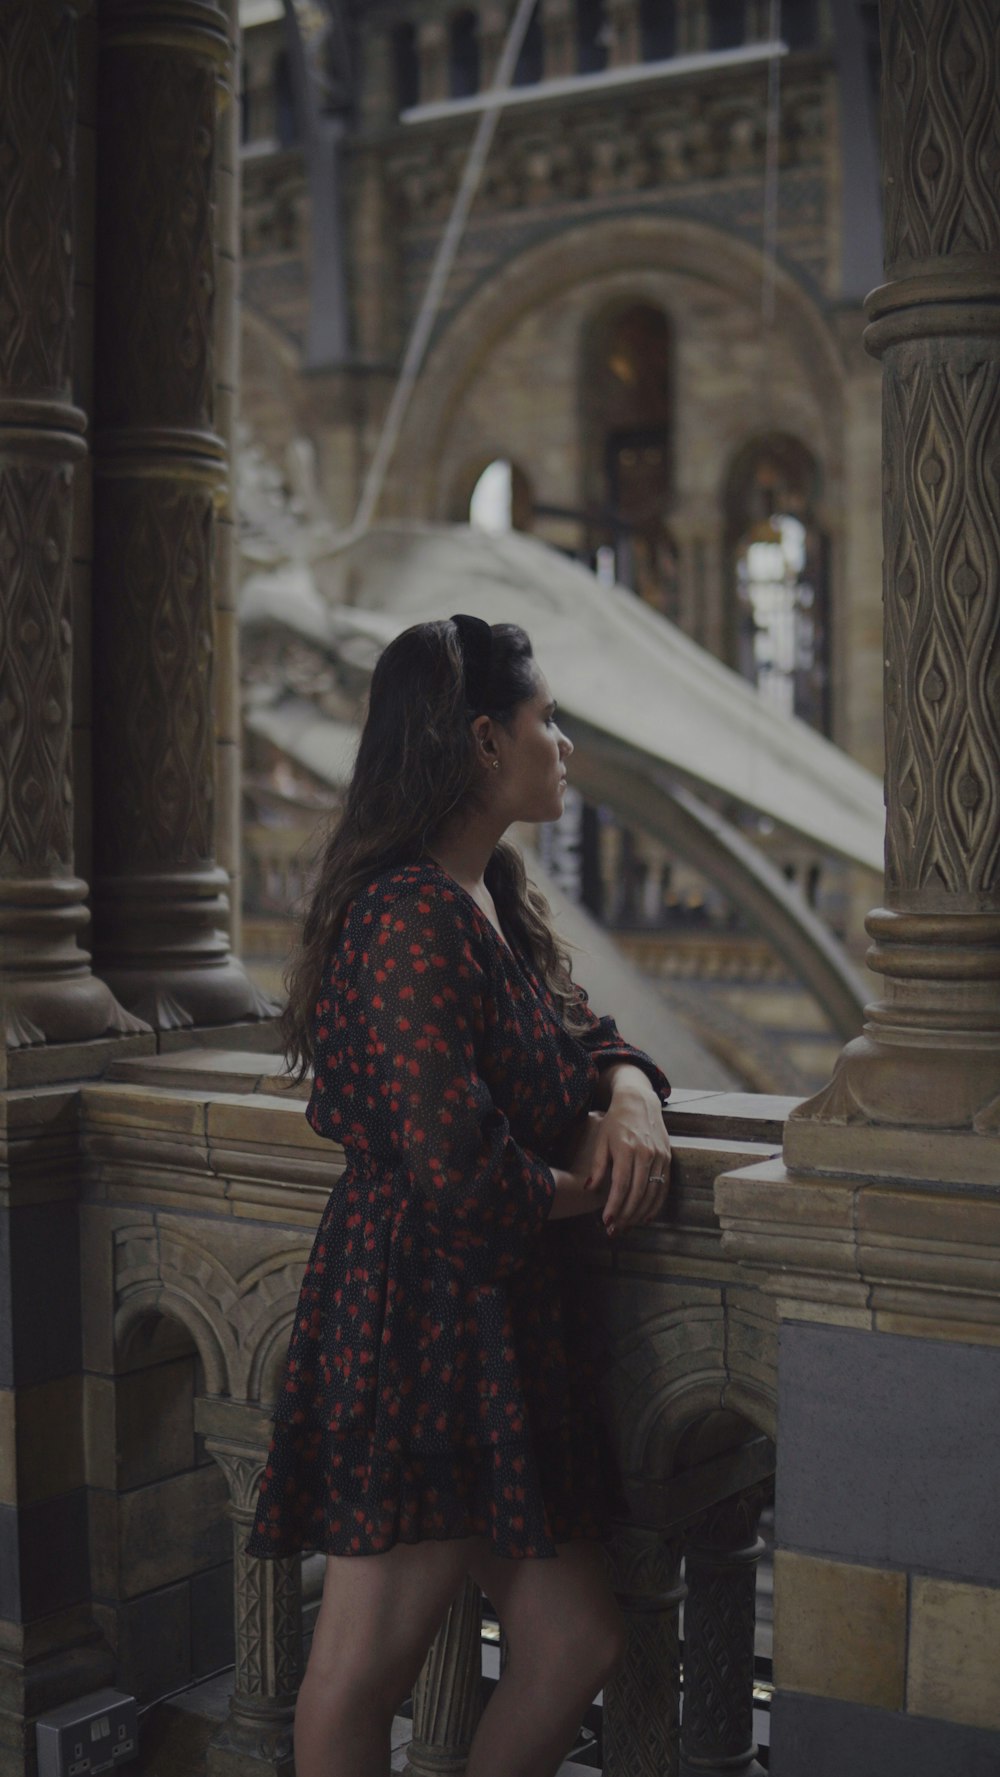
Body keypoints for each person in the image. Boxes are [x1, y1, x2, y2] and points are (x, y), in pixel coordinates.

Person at [246, 614, 672, 1777]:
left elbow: (579, 1033)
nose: (565, 744)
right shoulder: (404, 917)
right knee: (356, 1674)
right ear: (485, 741)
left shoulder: (484, 889)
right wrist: (601, 1184)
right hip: (418, 1323)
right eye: (548, 721)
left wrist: (630, 1092)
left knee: (574, 1637)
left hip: (493, 1323)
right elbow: (458, 1171)